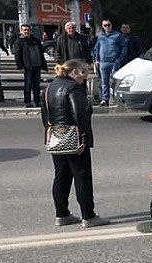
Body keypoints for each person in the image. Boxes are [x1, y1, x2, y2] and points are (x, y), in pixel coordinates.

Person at [41, 59, 109, 228]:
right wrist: (84, 138)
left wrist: (51, 134)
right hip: (74, 137)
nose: (85, 78)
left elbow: (45, 115)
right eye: (83, 73)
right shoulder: (73, 88)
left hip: (56, 136)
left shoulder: (50, 87)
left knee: (61, 176)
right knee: (82, 176)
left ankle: (62, 214)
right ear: (74, 72)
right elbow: (79, 114)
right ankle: (89, 216)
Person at [92, 19, 126, 107]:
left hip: (114, 62)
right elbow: (97, 48)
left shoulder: (117, 35)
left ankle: (116, 99)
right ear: (103, 27)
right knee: (104, 82)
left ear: (111, 25)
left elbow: (124, 48)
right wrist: (96, 60)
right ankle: (105, 99)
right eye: (105, 25)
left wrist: (119, 59)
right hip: (103, 62)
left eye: (108, 25)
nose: (107, 27)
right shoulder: (100, 36)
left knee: (115, 81)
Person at [13, 24, 48, 108]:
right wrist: (20, 66)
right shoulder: (19, 42)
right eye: (24, 30)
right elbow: (17, 55)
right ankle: (27, 101)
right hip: (28, 67)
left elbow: (41, 53)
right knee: (28, 85)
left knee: (37, 85)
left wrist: (44, 65)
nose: (26, 31)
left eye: (27, 30)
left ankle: (37, 101)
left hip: (37, 65)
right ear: (21, 31)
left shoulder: (35, 40)